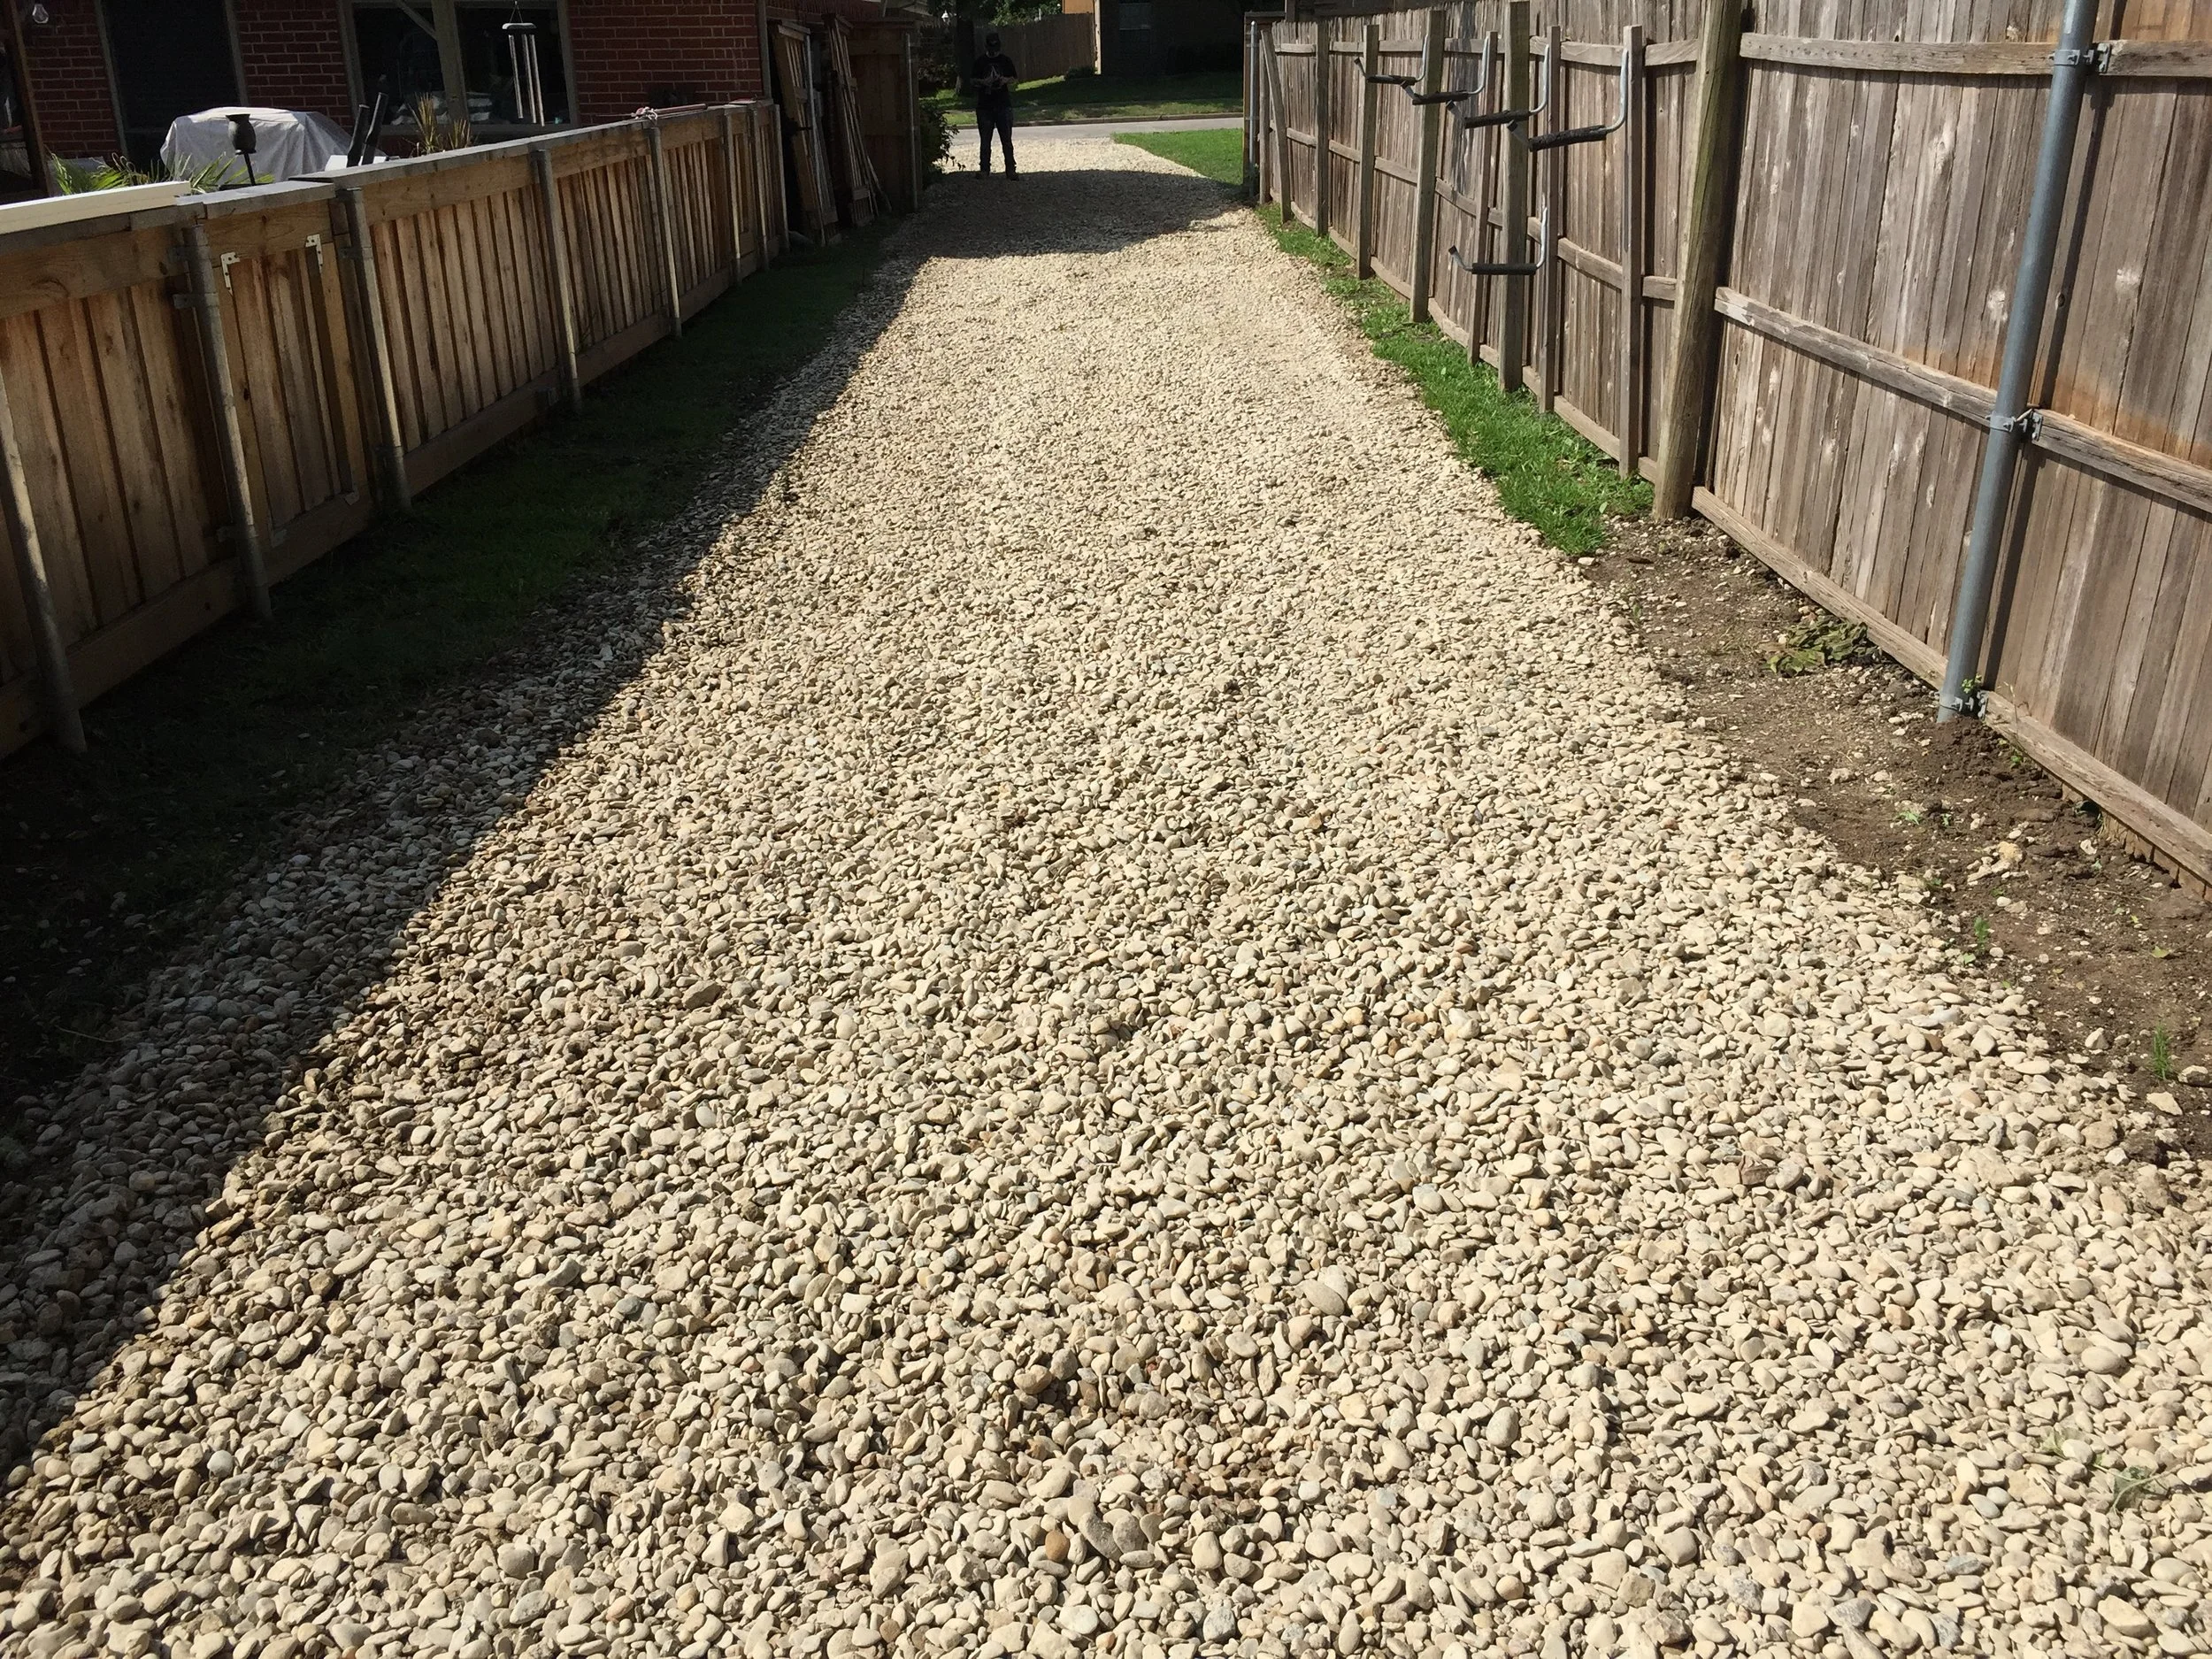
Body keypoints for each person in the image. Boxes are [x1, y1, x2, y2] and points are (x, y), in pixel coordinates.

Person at [973, 32, 1018, 177]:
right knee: (985, 141)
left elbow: (1014, 78)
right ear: (986, 46)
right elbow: (972, 80)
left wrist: (1004, 80)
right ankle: (984, 169)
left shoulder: (1006, 61)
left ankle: (1010, 169)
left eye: (995, 47)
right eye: (991, 47)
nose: (994, 50)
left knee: (1007, 140)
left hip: (1003, 104)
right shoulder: (980, 62)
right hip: (984, 106)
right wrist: (983, 82)